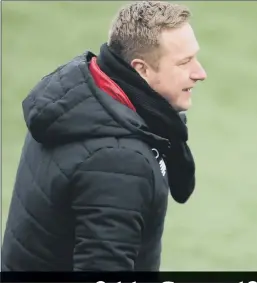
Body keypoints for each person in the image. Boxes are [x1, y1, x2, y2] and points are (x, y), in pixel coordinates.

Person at [1, 0, 206, 271]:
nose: (199, 73)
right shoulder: (119, 161)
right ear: (141, 69)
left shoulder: (78, 97)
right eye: (184, 62)